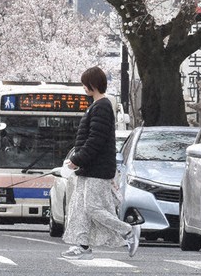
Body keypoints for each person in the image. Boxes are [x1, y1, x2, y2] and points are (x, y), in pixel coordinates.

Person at [61, 66, 140, 260]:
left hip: (96, 169)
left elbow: (96, 140)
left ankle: (128, 231)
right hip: (89, 169)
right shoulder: (96, 106)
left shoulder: (102, 106)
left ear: (92, 84)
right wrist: (78, 162)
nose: (83, 88)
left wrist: (77, 160)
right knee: (79, 207)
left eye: (84, 84)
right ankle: (82, 245)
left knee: (92, 208)